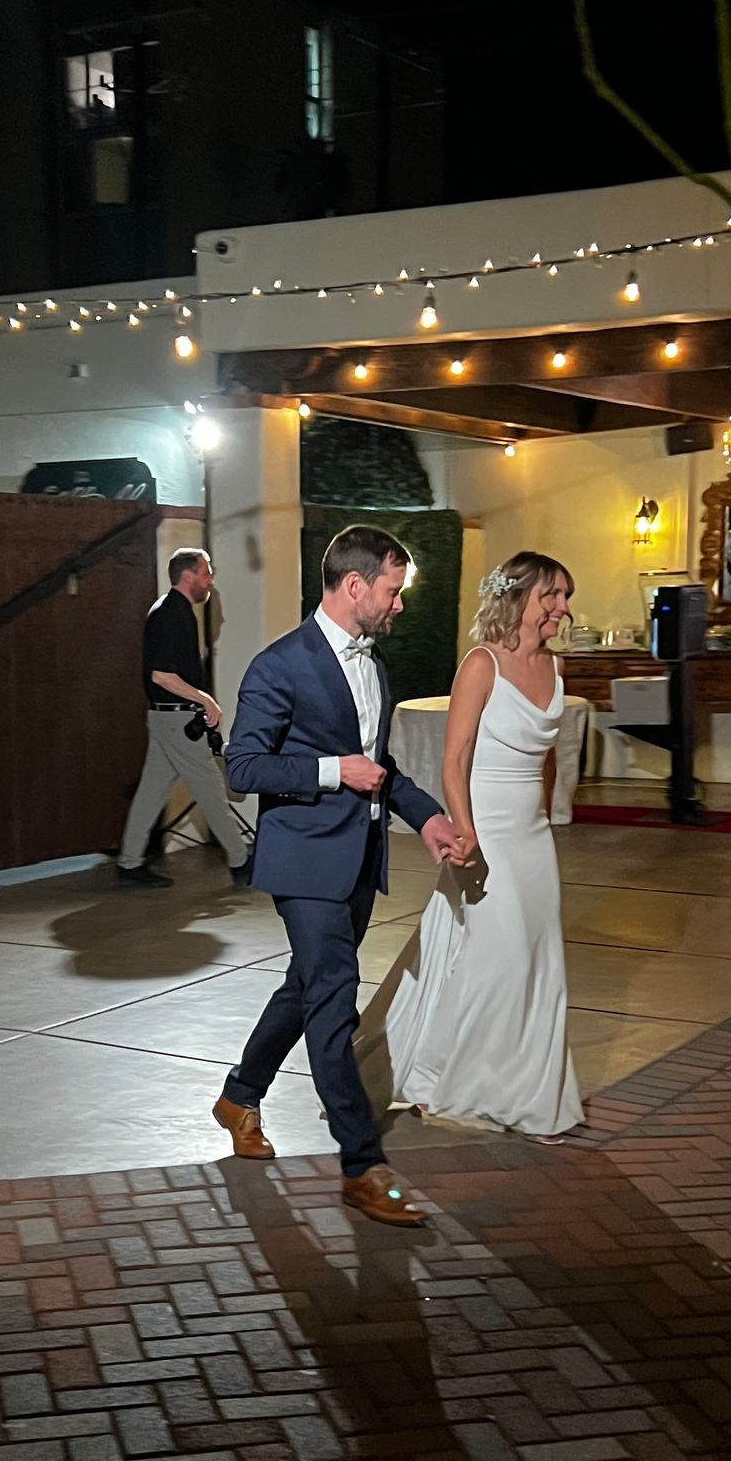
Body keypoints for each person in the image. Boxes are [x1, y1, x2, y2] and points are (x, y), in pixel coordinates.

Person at [213, 525, 468, 1225]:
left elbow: (380, 767)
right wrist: (333, 772)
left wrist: (429, 817)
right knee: (333, 1002)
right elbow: (243, 768)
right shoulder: (278, 665)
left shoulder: (373, 666)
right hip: (303, 862)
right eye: (393, 591)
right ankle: (361, 1165)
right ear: (355, 586)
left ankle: (240, 1094)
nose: (399, 605)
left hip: (359, 858)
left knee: (307, 986)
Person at [356, 552, 583, 1140]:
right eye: (551, 596)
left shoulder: (556, 669)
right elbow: (452, 759)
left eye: (564, 596)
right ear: (520, 598)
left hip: (532, 836)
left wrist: (548, 817)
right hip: (486, 827)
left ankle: (528, 1088)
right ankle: (461, 1081)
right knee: (496, 957)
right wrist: (465, 828)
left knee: (536, 957)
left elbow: (549, 755)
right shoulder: (481, 664)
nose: (561, 608)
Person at [114, 547, 250, 889]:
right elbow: (162, 675)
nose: (210, 579)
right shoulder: (174, 614)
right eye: (206, 572)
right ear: (188, 575)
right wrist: (205, 700)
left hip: (164, 719)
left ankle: (130, 864)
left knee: (150, 793)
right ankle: (241, 861)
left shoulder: (165, 610)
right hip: (177, 722)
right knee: (210, 790)